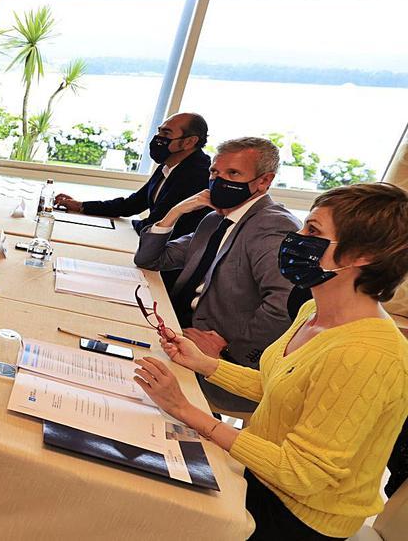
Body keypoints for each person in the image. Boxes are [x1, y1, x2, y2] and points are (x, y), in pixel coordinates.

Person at [133, 182, 408, 540]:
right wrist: (203, 363)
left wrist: (188, 412)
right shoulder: (314, 310)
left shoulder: (368, 355)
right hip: (260, 475)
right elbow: (279, 385)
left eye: (313, 230)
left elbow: (302, 473)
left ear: (362, 257)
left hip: (297, 515)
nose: (297, 236)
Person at [134, 137, 300, 413]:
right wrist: (175, 212)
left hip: (221, 365)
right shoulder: (215, 219)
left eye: (233, 174)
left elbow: (284, 306)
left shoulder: (274, 227)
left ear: (264, 181)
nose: (219, 181)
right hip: (174, 331)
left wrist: (227, 352)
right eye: (215, 172)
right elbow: (150, 259)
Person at [54, 113, 212, 237]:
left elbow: (157, 223)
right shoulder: (169, 164)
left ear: (190, 142)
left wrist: (129, 228)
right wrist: (82, 206)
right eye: (159, 132)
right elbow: (133, 204)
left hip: (167, 261)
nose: (158, 138)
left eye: (166, 133)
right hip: (150, 244)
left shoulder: (197, 174)